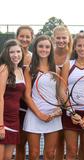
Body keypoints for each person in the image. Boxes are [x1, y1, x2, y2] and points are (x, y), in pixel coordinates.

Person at [23, 35, 62, 160]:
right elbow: (27, 96)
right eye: (41, 46)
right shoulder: (29, 70)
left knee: (50, 154)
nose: (44, 49)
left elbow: (59, 95)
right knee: (33, 154)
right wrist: (40, 114)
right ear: (35, 48)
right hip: (34, 115)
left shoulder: (56, 70)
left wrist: (59, 110)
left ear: (51, 49)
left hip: (53, 117)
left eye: (47, 47)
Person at [0, 39, 25, 160]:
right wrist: (0, 125)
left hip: (14, 120)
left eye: (18, 51)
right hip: (2, 120)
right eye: (12, 52)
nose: (16, 55)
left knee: (7, 158)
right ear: (6, 54)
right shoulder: (4, 68)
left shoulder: (21, 70)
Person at [51, 25, 73, 160]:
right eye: (58, 38)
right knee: (57, 141)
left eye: (64, 38)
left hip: (71, 103)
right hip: (52, 103)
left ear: (69, 39)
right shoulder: (48, 54)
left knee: (70, 143)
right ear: (53, 39)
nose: (61, 41)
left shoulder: (74, 54)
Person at [15, 25, 34, 160]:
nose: (24, 39)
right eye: (22, 36)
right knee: (19, 145)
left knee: (32, 148)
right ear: (17, 37)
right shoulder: (9, 57)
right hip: (15, 107)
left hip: (32, 107)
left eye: (28, 36)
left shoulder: (35, 58)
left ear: (32, 39)